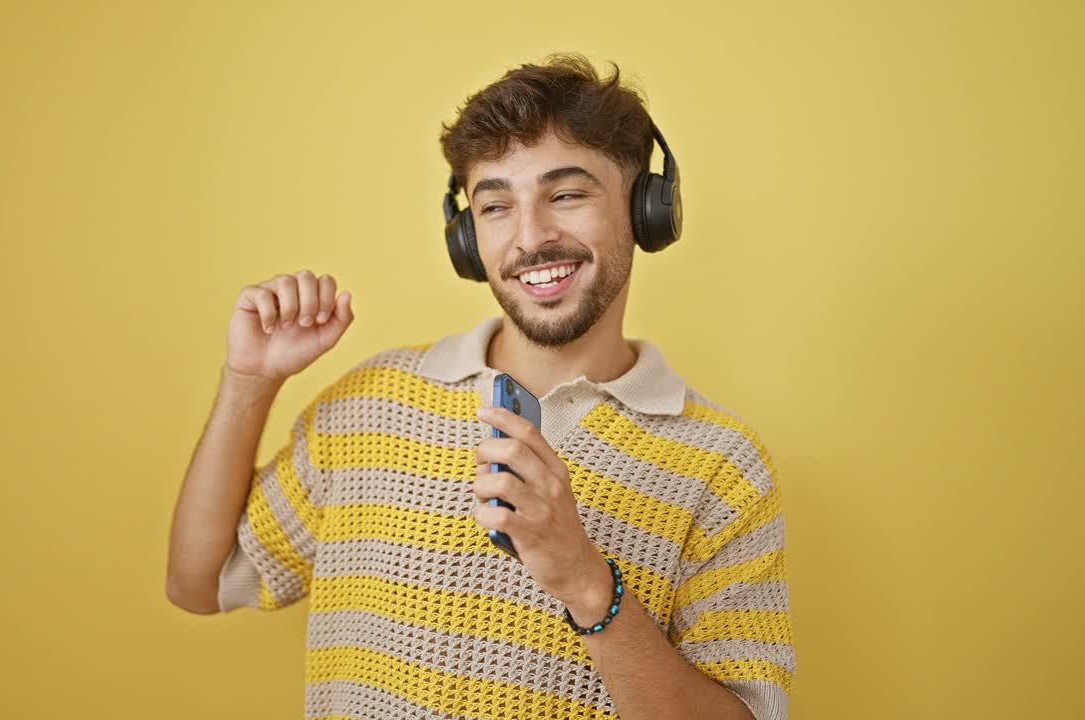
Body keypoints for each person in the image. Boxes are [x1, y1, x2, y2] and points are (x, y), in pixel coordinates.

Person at [166, 51, 795, 720]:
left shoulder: (724, 469)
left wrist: (586, 580)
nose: (530, 238)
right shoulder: (368, 405)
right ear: (467, 237)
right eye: (495, 205)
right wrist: (248, 382)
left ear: (645, 209)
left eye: (566, 194)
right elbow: (200, 581)